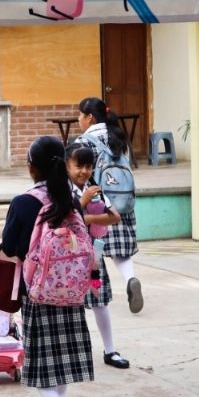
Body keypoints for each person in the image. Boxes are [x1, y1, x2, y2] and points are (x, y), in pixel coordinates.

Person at [0, 136, 94, 397]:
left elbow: (11, 246)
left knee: (40, 365)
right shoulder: (70, 198)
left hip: (37, 294)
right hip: (70, 292)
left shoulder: (25, 202)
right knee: (63, 362)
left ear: (32, 167)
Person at [74, 97, 144, 314]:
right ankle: (131, 278)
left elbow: (79, 173)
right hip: (123, 202)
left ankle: (95, 294)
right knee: (121, 252)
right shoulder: (119, 136)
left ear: (89, 117)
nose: (78, 119)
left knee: (95, 252)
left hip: (98, 204)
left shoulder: (84, 141)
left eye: (80, 115)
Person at [65, 143, 129, 369]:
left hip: (93, 254)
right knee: (69, 303)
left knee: (100, 300)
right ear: (67, 166)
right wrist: (85, 208)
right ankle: (71, 352)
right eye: (78, 166)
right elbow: (66, 217)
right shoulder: (63, 190)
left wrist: (88, 218)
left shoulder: (94, 188)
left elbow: (114, 216)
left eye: (88, 166)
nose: (83, 171)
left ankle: (110, 350)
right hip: (67, 257)